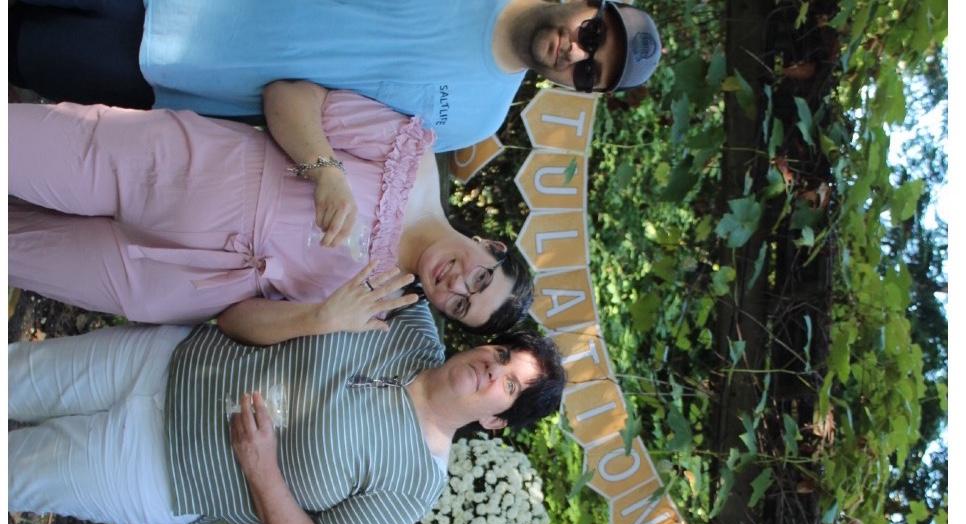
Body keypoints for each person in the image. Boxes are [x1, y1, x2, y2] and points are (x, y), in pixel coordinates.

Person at [7, 306, 566, 524]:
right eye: (501, 355)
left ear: (497, 422)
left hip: (155, 468)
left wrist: (262, 470)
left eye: (509, 386)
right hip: (167, 360)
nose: (493, 370)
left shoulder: (414, 485)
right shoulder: (409, 321)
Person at [9, 90, 534, 336]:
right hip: (173, 167)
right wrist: (325, 172)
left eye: (460, 305)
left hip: (163, 279)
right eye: (481, 278)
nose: (456, 285)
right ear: (492, 246)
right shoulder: (410, 160)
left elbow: (233, 320)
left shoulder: (377, 306)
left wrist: (321, 319)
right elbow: (289, 96)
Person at [9, 0, 663, 151]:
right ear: (587, 4)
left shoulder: (473, 119)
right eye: (593, 35)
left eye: (589, 74)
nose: (576, 55)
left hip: (168, 76)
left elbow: (336, 141)